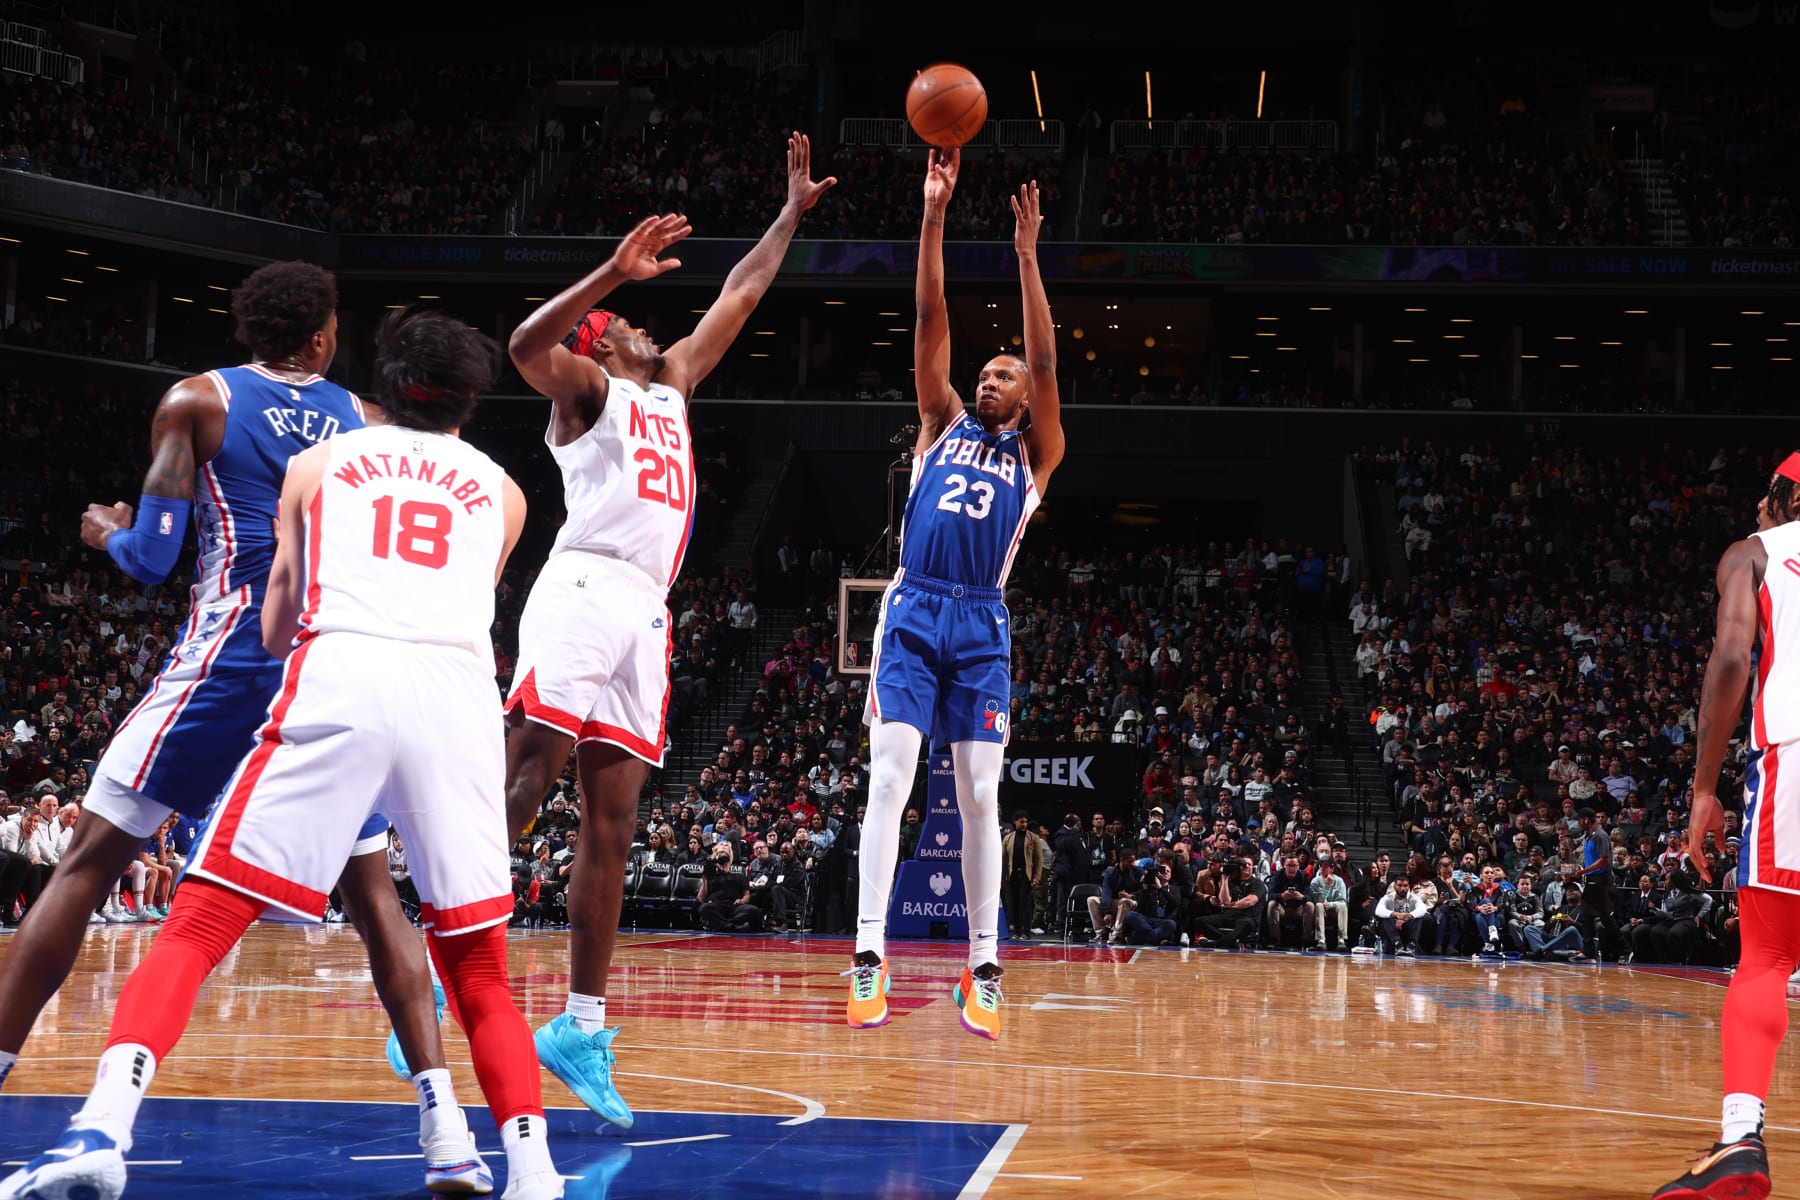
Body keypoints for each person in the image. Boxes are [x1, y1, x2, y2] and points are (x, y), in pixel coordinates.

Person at [0, 309, 555, 1200]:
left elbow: (273, 610)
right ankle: (518, 1166)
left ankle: (101, 1126)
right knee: (467, 956)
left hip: (317, 677)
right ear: (470, 399)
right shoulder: (508, 492)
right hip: (454, 702)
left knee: (195, 917)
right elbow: (465, 593)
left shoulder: (302, 457)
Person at [499, 133, 835, 1128]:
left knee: (614, 821)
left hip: (647, 609)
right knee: (530, 780)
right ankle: (446, 968)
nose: (647, 329)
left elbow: (741, 291)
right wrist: (608, 268)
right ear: (601, 343)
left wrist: (790, 212)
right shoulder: (589, 395)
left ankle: (581, 1025)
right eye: (625, 322)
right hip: (584, 588)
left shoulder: (673, 385)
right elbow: (525, 348)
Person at [846, 153, 1065, 1043]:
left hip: (980, 619)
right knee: (889, 780)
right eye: (985, 372)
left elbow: (1047, 356)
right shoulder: (938, 425)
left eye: (1003, 375)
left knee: (980, 791)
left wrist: (1024, 253)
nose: (990, 378)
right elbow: (930, 316)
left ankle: (984, 968)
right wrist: (933, 218)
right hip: (912, 608)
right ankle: (868, 957)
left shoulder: (1036, 454)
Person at [1655, 454, 1800, 1198]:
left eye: (1768, 494)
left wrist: (1705, 789)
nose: (1757, 504)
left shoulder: (1755, 552)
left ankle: (1741, 1140)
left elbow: (1734, 655)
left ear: (1788, 496)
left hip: (1796, 757)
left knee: (1768, 956)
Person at [1001, 810, 1042, 939]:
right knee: (1014, 904)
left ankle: (1026, 932)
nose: (1024, 824)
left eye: (1025, 822)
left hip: (1026, 875)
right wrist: (1002, 877)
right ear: (1015, 822)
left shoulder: (1033, 837)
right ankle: (1017, 932)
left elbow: (1038, 859)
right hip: (1012, 876)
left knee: (1025, 904)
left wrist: (1036, 877)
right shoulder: (1008, 838)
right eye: (1021, 821)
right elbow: (1003, 859)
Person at [1375, 878, 1427, 956]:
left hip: (1408, 926)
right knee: (1385, 917)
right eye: (1399, 885)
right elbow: (1378, 910)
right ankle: (1397, 944)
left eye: (1405, 886)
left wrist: (1408, 916)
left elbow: (1423, 909)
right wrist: (1395, 914)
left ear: (1409, 887)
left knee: (1420, 916)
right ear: (1394, 886)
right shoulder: (1387, 898)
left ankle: (1411, 945)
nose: (1403, 888)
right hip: (1393, 927)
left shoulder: (1414, 898)